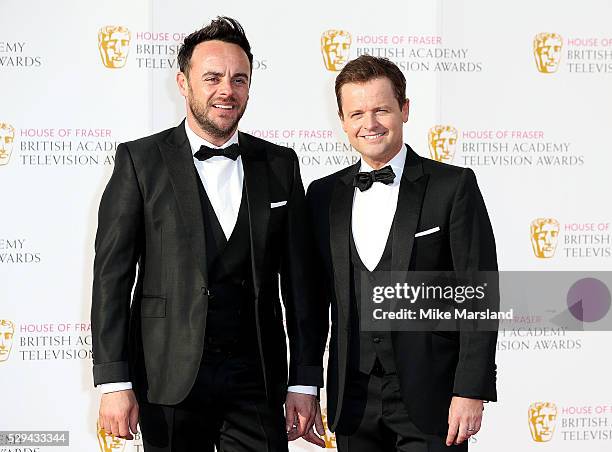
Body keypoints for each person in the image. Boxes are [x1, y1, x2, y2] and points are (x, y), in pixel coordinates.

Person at [91, 16, 324, 451]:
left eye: (239, 79)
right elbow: (111, 278)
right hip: (168, 378)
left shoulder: (280, 165)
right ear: (183, 82)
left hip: (258, 378)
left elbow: (301, 286)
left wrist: (306, 381)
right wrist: (113, 380)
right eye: (212, 78)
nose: (226, 91)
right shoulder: (140, 161)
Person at [306, 55, 498, 451]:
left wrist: (470, 389)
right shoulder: (323, 196)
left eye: (381, 109)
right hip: (352, 399)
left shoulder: (453, 186)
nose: (369, 123)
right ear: (342, 120)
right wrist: (305, 383)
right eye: (356, 113)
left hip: (434, 398)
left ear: (405, 109)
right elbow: (310, 304)